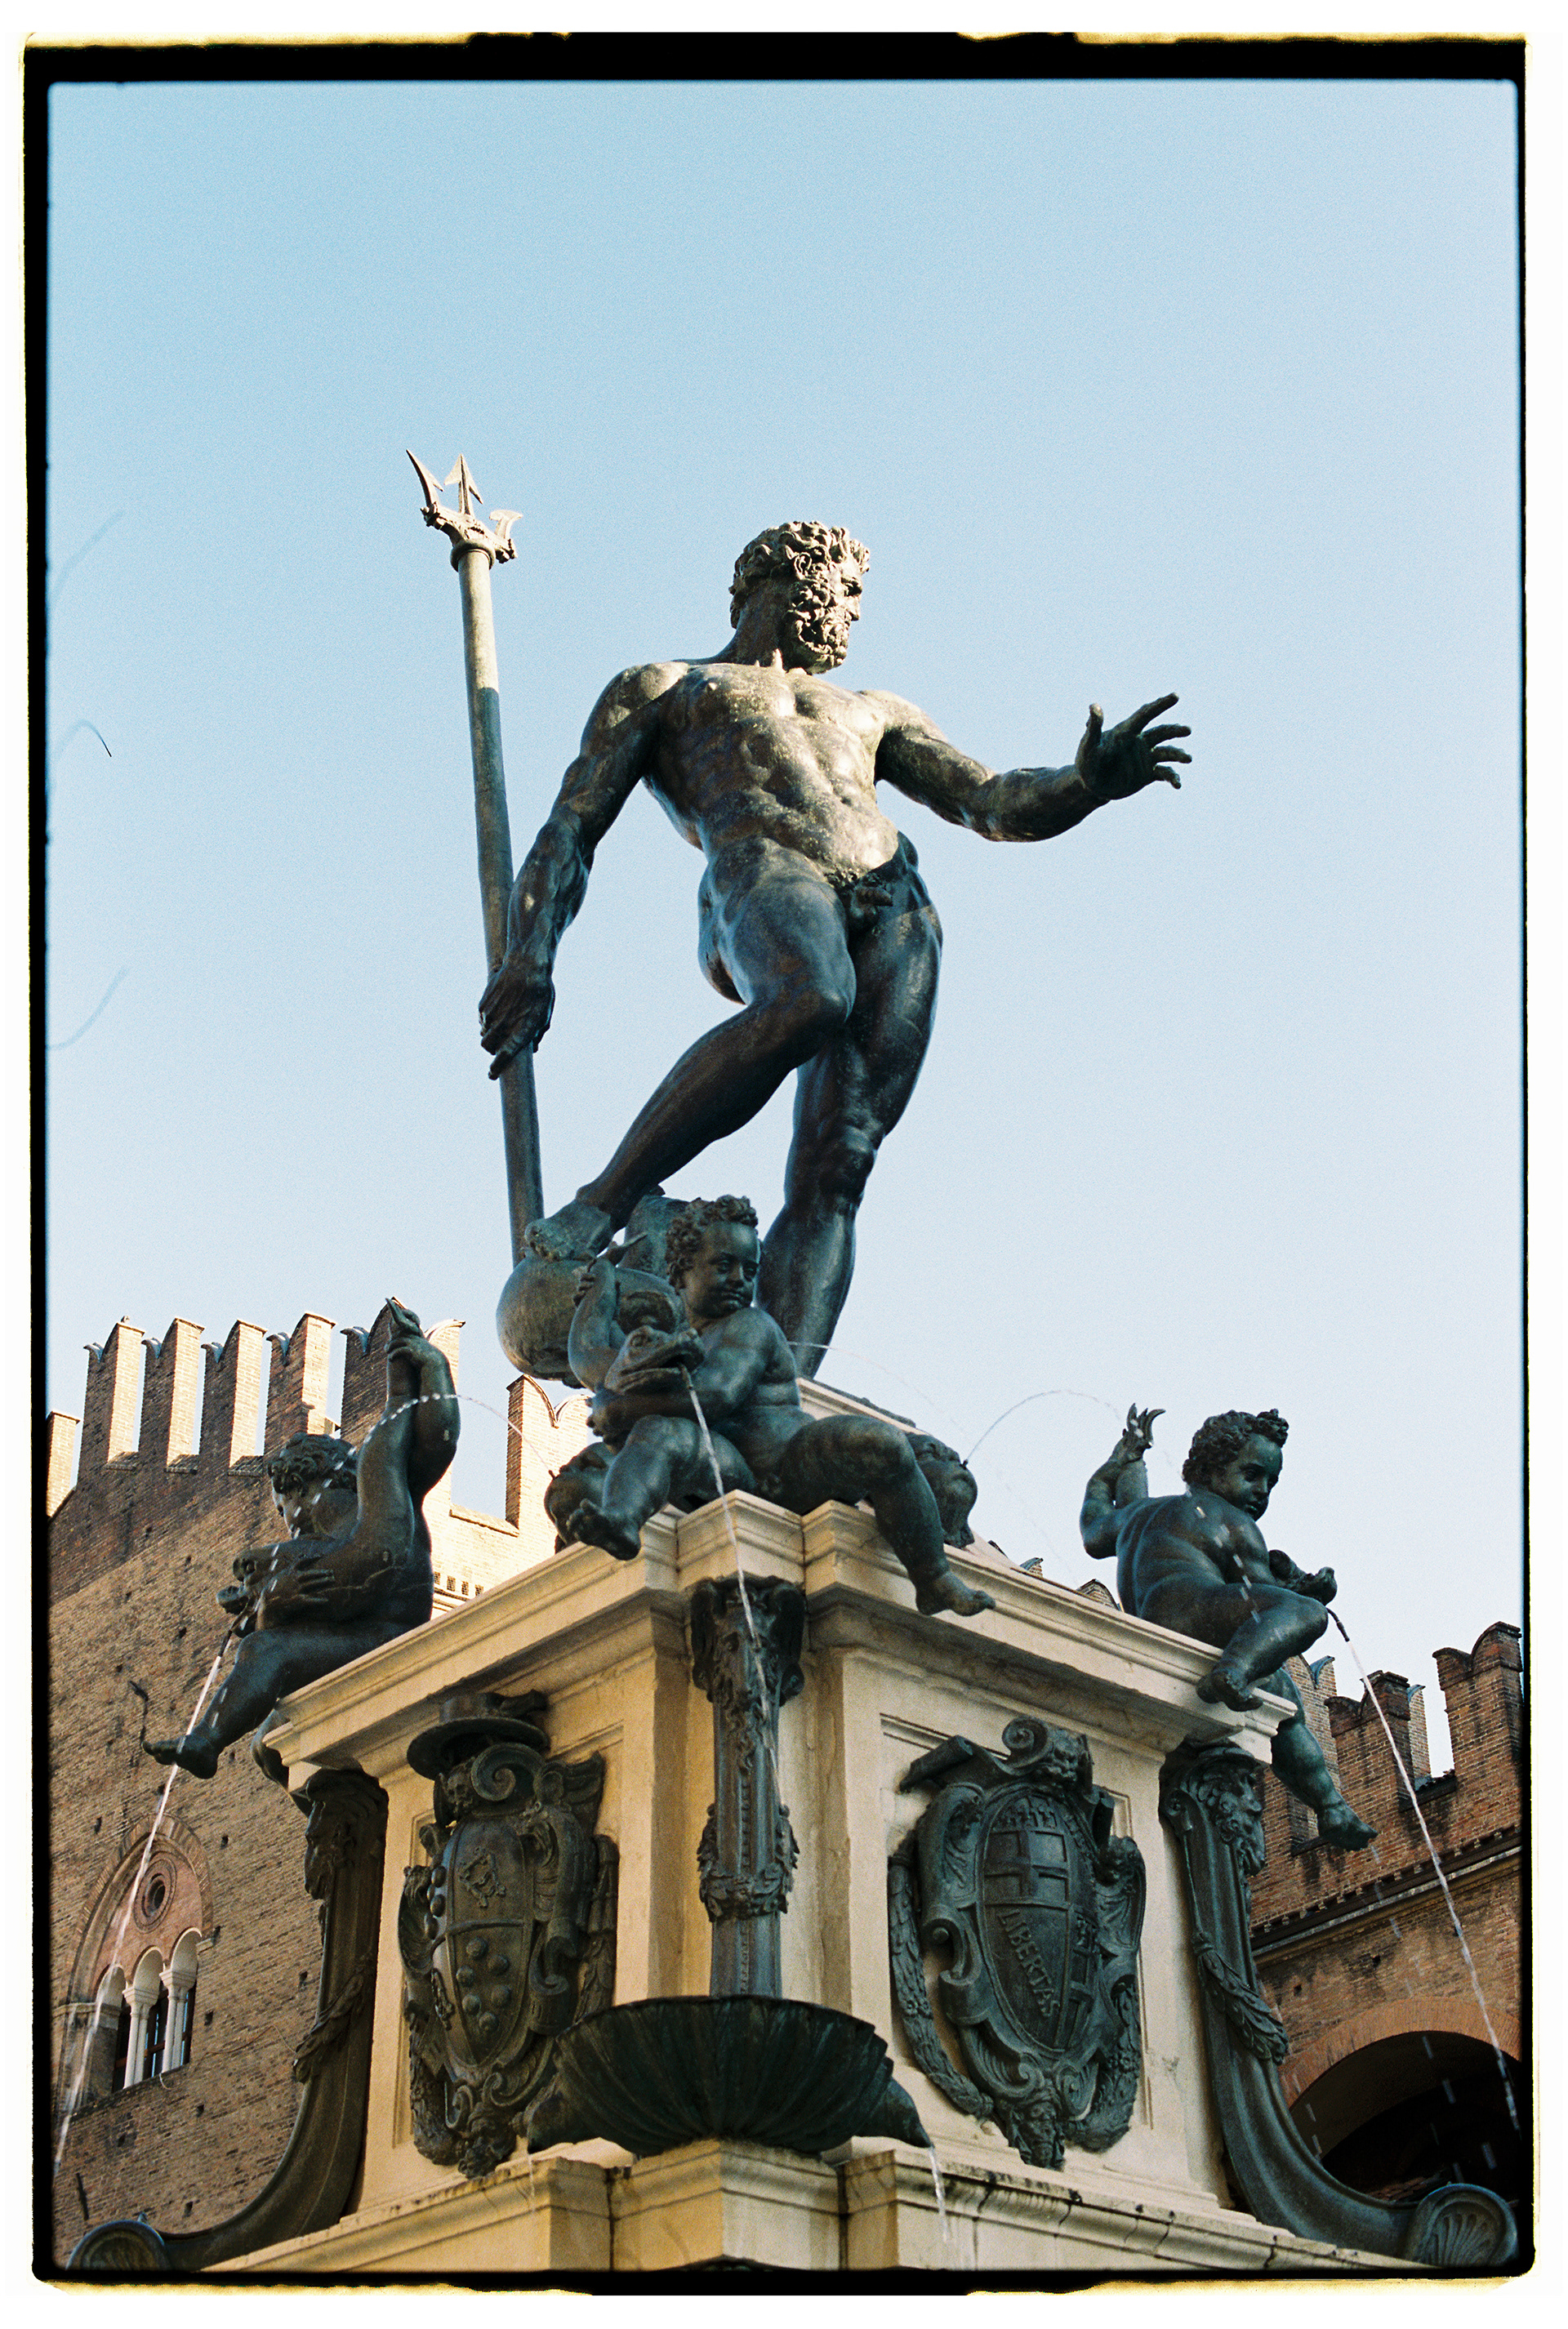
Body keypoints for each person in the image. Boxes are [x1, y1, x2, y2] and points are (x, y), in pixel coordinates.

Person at [479, 520, 1189, 1374]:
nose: (853, 609)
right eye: (847, 587)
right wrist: (531, 955)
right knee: (811, 996)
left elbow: (992, 801)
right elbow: (572, 826)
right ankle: (604, 1202)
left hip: (896, 900)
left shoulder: (874, 710)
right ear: (787, 575)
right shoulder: (668, 686)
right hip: (763, 867)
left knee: (841, 1157)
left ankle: (776, 1388)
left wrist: (1086, 784)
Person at [564, 1196, 995, 1619]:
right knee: (661, 1434)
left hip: (794, 1464)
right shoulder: (672, 1343)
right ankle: (621, 1518)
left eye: (750, 1271)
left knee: (880, 1442)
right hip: (733, 1473)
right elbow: (593, 1359)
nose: (739, 1280)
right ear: (682, 1270)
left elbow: (717, 1395)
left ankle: (933, 1576)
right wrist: (596, 1294)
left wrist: (622, 1409)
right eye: (723, 1266)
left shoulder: (750, 1324)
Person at [145, 1300, 458, 1779]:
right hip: (361, 1643)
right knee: (269, 1744)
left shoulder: (379, 1485)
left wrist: (431, 1367)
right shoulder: (362, 1509)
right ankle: (218, 1746)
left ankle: (206, 1741)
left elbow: (436, 1435)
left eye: (283, 1506)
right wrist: (272, 1605)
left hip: (392, 1640)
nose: (287, 1519)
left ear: (300, 1490)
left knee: (267, 1660)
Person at [1080, 1404, 1375, 1849]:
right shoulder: (1230, 1519)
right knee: (1308, 1615)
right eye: (1252, 1474)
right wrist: (1310, 1591)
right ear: (1210, 1469)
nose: (1262, 1491)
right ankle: (1233, 1670)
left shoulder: (1138, 1515)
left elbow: (1092, 1527)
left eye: (1271, 1482)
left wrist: (1118, 1463)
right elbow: (1264, 1596)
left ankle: (1332, 1807)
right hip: (1196, 1612)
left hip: (1154, 1625)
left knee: (1281, 1695)